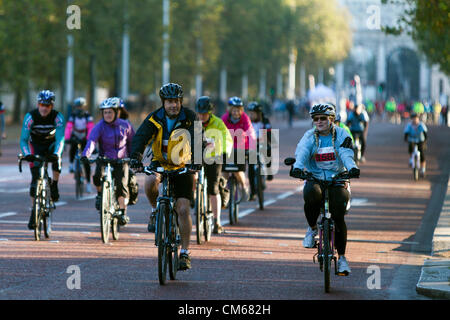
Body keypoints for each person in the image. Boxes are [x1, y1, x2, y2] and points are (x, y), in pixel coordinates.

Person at [130, 83, 199, 271]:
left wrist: (197, 161)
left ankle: (184, 252)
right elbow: (140, 138)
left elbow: (196, 138)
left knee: (183, 209)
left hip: (183, 165)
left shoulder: (190, 117)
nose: (173, 106)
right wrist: (135, 157)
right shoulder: (154, 118)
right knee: (151, 180)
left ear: (180, 102)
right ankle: (155, 211)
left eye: (176, 102)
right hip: (160, 162)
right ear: (163, 103)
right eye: (169, 102)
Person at [290, 103, 360, 275]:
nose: (319, 122)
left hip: (337, 178)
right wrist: (297, 167)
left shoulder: (342, 134)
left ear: (331, 119)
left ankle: (342, 258)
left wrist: (352, 168)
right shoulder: (309, 136)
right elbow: (302, 153)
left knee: (338, 214)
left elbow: (345, 153)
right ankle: (312, 228)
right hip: (315, 177)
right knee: (311, 195)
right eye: (316, 119)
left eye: (323, 118)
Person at [81, 97, 135, 226]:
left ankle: (122, 211)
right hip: (104, 159)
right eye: (105, 112)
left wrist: (134, 157)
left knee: (122, 185)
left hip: (122, 160)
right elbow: (92, 141)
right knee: (96, 177)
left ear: (116, 112)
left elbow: (133, 142)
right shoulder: (99, 126)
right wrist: (86, 154)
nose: (107, 115)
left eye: (110, 112)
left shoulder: (125, 125)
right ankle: (100, 194)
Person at [19, 90, 65, 230]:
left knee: (57, 158)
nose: (44, 108)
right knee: (34, 181)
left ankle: (55, 184)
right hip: (36, 146)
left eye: (47, 105)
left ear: (51, 106)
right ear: (38, 104)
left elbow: (60, 139)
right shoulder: (30, 117)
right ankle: (34, 211)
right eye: (41, 104)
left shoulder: (58, 117)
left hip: (51, 144)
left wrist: (57, 153)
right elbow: (23, 140)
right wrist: (27, 154)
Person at [195, 96, 232, 234]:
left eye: (205, 113)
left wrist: (223, 151)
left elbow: (227, 139)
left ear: (210, 112)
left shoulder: (218, 123)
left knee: (213, 187)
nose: (202, 116)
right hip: (198, 157)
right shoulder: (193, 123)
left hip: (214, 157)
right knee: (189, 177)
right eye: (200, 113)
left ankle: (217, 221)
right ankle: (194, 199)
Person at [221, 97, 256, 202]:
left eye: (238, 110)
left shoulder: (245, 118)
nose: (236, 112)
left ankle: (244, 187)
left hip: (241, 147)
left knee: (237, 171)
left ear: (241, 110)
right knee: (225, 172)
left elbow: (251, 134)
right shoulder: (224, 118)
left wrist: (252, 148)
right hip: (227, 147)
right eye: (234, 110)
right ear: (230, 110)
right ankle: (225, 193)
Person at [65, 97, 94, 192]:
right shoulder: (72, 116)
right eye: (78, 106)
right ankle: (71, 164)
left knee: (86, 160)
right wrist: (67, 138)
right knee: (73, 147)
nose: (79, 108)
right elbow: (69, 127)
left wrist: (89, 138)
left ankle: (89, 183)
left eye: (81, 106)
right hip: (75, 135)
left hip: (85, 136)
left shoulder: (87, 116)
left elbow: (90, 127)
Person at [247, 101, 273, 201]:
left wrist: (268, 141)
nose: (251, 115)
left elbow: (269, 132)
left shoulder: (265, 120)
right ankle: (253, 192)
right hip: (251, 145)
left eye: (253, 113)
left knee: (269, 150)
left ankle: (269, 171)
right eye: (249, 113)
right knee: (250, 168)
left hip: (263, 142)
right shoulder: (247, 121)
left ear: (258, 113)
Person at [404, 113, 428, 177]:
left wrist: (425, 141)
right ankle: (411, 159)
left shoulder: (421, 125)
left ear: (418, 119)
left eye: (416, 118)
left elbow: (425, 133)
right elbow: (406, 133)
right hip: (412, 140)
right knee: (410, 148)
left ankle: (423, 169)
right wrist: (406, 138)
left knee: (422, 154)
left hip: (420, 140)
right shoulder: (409, 125)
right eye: (413, 119)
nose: (415, 120)